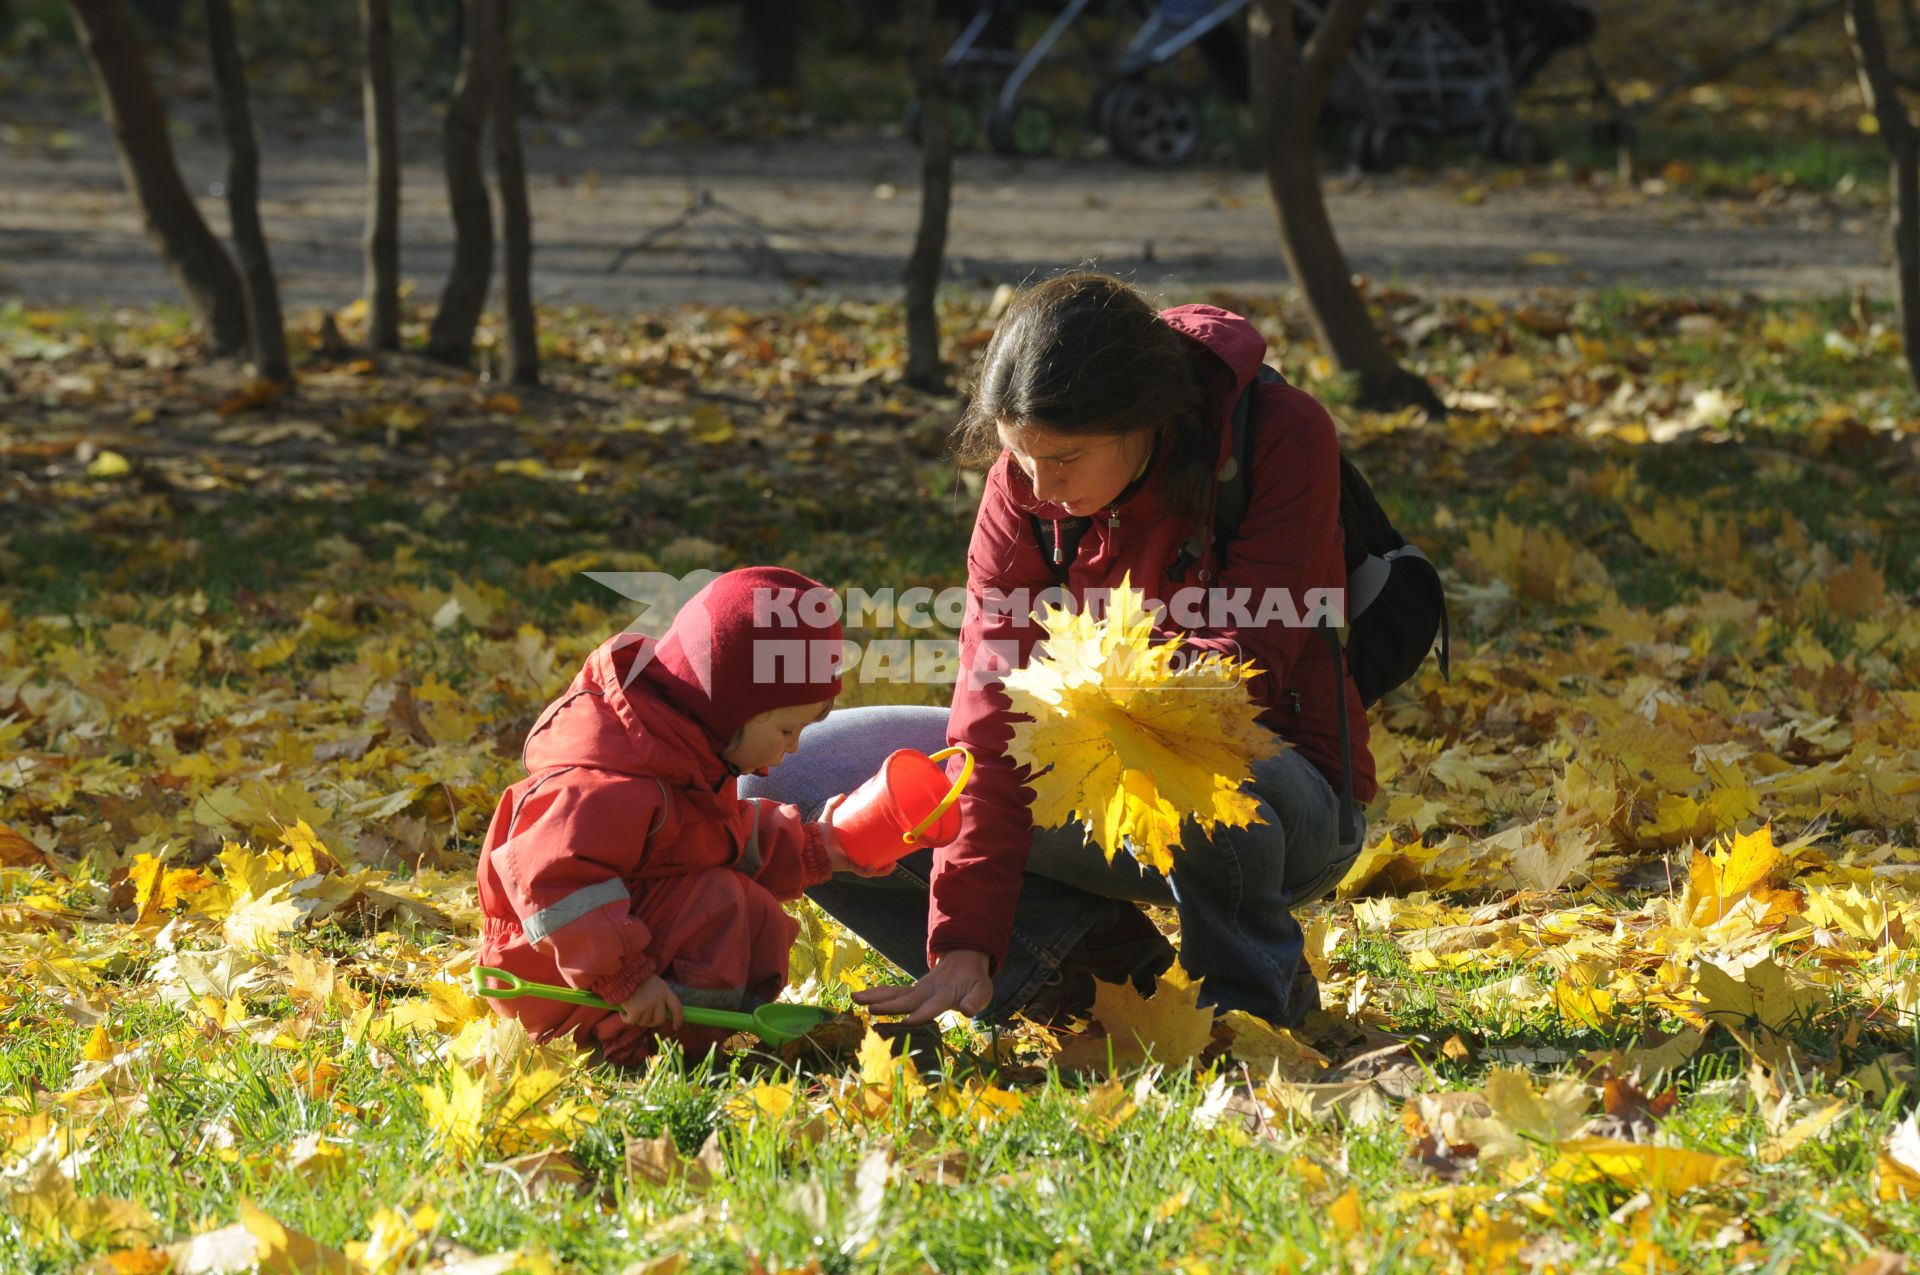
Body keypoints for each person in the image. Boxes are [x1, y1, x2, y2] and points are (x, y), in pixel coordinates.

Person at [742, 272, 1375, 1030]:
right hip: (1087, 767)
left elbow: (1246, 669)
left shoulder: (1280, 433)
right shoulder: (1025, 487)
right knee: (800, 777)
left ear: (1145, 417)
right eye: (1019, 456)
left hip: (1286, 792)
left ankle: (1250, 1005)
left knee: (1161, 725)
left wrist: (1075, 687)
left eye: (1066, 458)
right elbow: (988, 720)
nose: (1040, 486)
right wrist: (965, 935)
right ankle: (1094, 984)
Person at [476, 566, 882, 1064]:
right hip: (550, 969)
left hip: (618, 938)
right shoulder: (608, 776)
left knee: (755, 913)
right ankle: (633, 1043)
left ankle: (701, 1031)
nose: (795, 747)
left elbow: (721, 835)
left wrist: (819, 846)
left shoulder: (689, 751)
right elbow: (553, 879)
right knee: (718, 904)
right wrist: (626, 981)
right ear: (731, 709)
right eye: (785, 730)